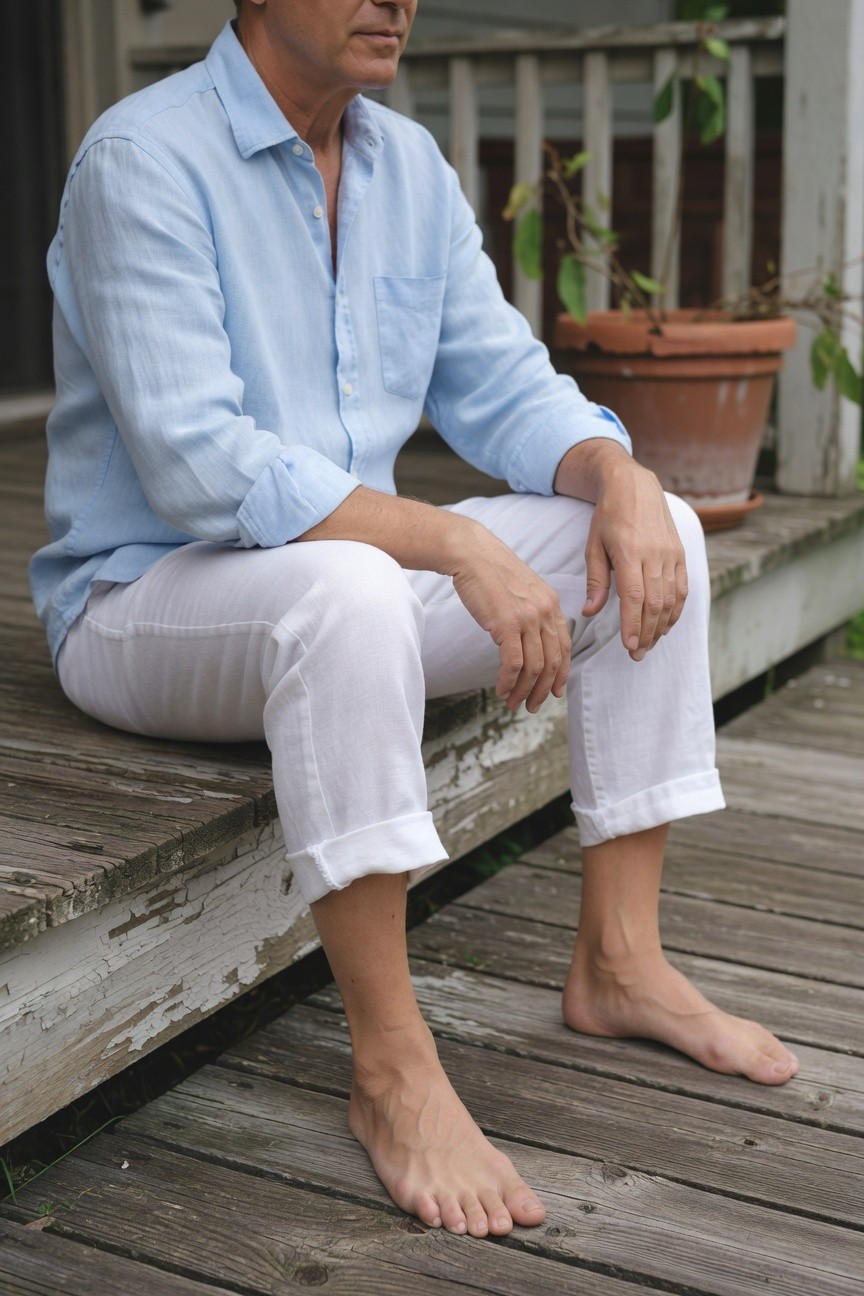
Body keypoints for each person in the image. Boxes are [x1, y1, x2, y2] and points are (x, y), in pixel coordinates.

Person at [31, 0, 799, 1241]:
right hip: (145, 602)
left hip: (345, 601)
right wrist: (452, 541)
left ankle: (620, 961)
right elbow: (197, 464)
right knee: (341, 588)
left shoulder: (408, 165)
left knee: (652, 526)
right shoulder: (143, 159)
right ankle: (391, 1066)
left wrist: (617, 478)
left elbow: (500, 385)